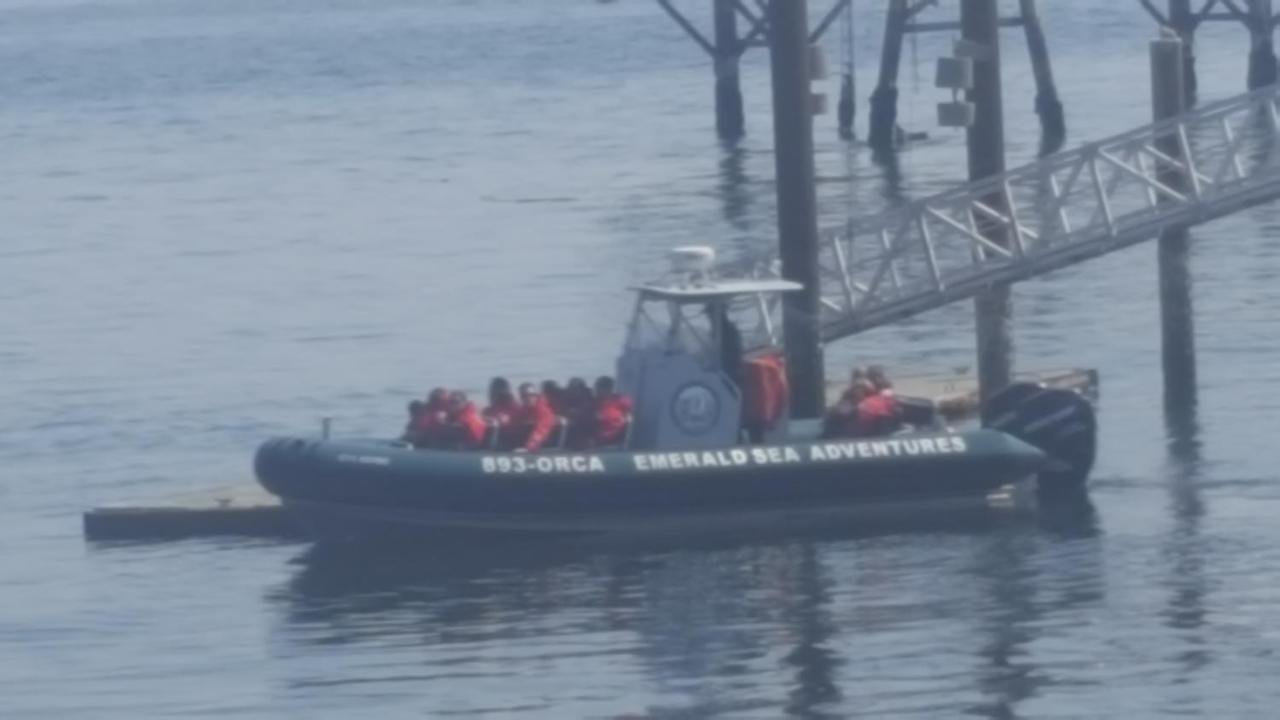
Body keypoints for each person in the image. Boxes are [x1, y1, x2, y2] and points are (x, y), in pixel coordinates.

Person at [513, 382, 557, 452]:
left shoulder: (544, 411)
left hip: (543, 445)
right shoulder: (522, 411)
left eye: (532, 395)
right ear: (521, 397)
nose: (529, 398)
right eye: (525, 396)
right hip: (525, 445)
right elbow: (514, 422)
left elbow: (541, 430)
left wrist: (529, 447)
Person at [592, 375, 633, 447]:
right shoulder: (591, 403)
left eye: (600, 388)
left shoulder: (621, 401)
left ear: (609, 389)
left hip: (616, 438)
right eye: (597, 387)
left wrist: (627, 417)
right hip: (595, 439)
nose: (597, 390)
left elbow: (630, 413)